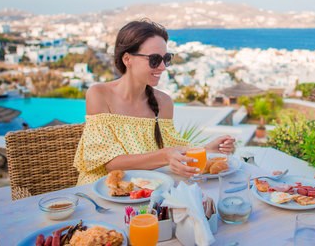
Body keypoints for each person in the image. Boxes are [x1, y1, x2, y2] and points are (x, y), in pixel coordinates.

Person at [74, 19, 235, 185]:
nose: (163, 67)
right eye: (154, 60)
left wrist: (207, 150)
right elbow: (111, 163)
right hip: (100, 191)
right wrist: (164, 156)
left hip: (144, 190)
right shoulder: (99, 95)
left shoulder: (163, 103)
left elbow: (173, 148)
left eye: (166, 58)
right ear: (127, 59)